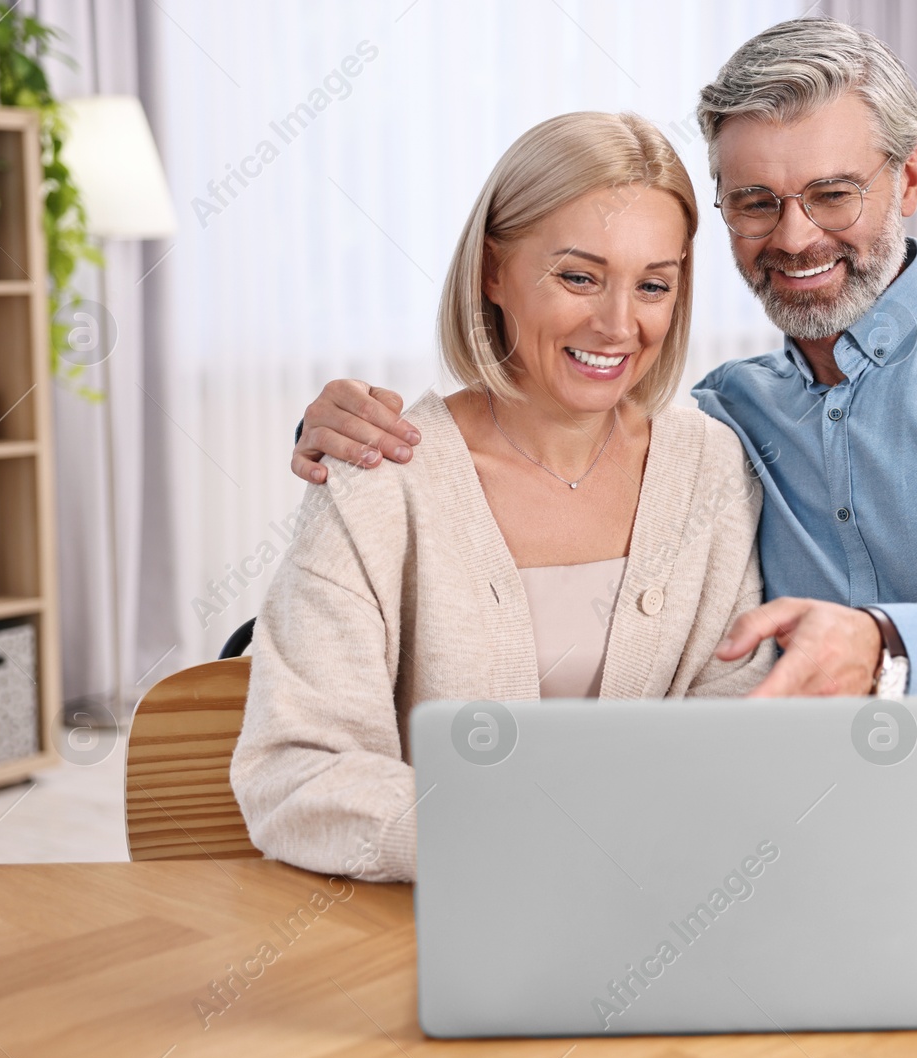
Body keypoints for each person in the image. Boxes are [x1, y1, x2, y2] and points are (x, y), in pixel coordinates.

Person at [291, 18, 917, 853]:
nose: (794, 237)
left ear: (908, 178)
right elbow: (548, 441)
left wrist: (884, 646)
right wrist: (340, 434)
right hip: (828, 874)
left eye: (833, 193)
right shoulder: (724, 424)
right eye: (755, 202)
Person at [234, 112, 775, 882]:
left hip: (658, 916)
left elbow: (739, 722)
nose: (619, 324)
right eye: (579, 276)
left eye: (653, 284)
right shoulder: (380, 472)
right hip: (429, 930)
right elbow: (298, 773)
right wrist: (525, 841)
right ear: (493, 269)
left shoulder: (710, 467)